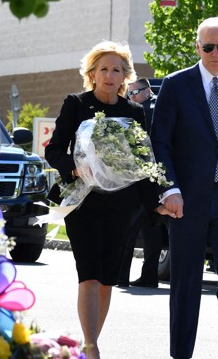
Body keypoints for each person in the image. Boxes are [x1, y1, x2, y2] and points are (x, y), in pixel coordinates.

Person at [150, 17, 218, 359]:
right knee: (185, 281)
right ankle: (181, 352)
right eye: (209, 46)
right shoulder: (176, 85)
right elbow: (160, 142)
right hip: (186, 200)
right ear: (197, 46)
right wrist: (169, 189)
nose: (216, 53)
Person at [44, 41, 156, 359]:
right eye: (103, 69)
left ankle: (91, 338)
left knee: (107, 278)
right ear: (92, 74)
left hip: (121, 205)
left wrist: (157, 202)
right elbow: (53, 151)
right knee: (89, 274)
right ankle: (91, 346)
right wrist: (74, 168)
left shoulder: (133, 112)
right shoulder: (76, 104)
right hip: (83, 204)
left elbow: (143, 161)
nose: (109, 75)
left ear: (125, 76)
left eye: (116, 70)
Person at [117, 78, 161, 288]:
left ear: (148, 90)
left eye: (136, 92)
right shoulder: (161, 107)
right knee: (152, 231)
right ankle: (149, 275)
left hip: (140, 179)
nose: (132, 97)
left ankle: (121, 275)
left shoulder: (141, 111)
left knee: (129, 229)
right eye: (129, 94)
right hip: (157, 178)